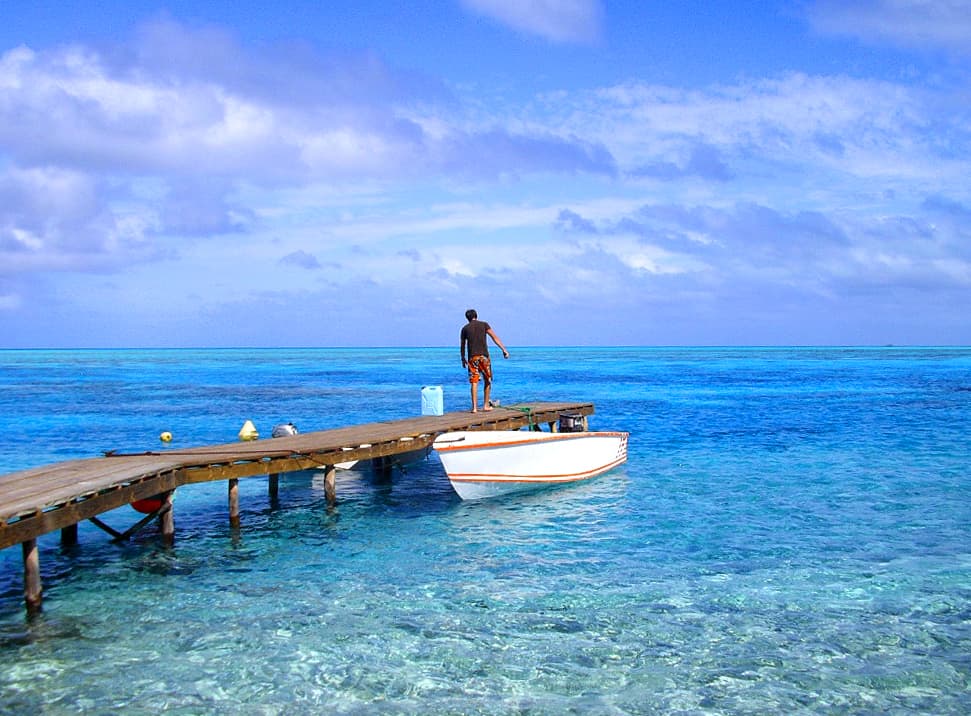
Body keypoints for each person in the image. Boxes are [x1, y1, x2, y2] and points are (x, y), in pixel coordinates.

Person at [460, 308, 509, 413]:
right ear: (476, 315)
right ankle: (485, 405)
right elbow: (494, 337)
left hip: (472, 358)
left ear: (467, 318)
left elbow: (462, 345)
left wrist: (463, 358)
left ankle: (474, 408)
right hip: (484, 357)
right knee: (487, 380)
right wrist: (504, 349)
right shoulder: (484, 325)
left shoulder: (465, 329)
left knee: (474, 382)